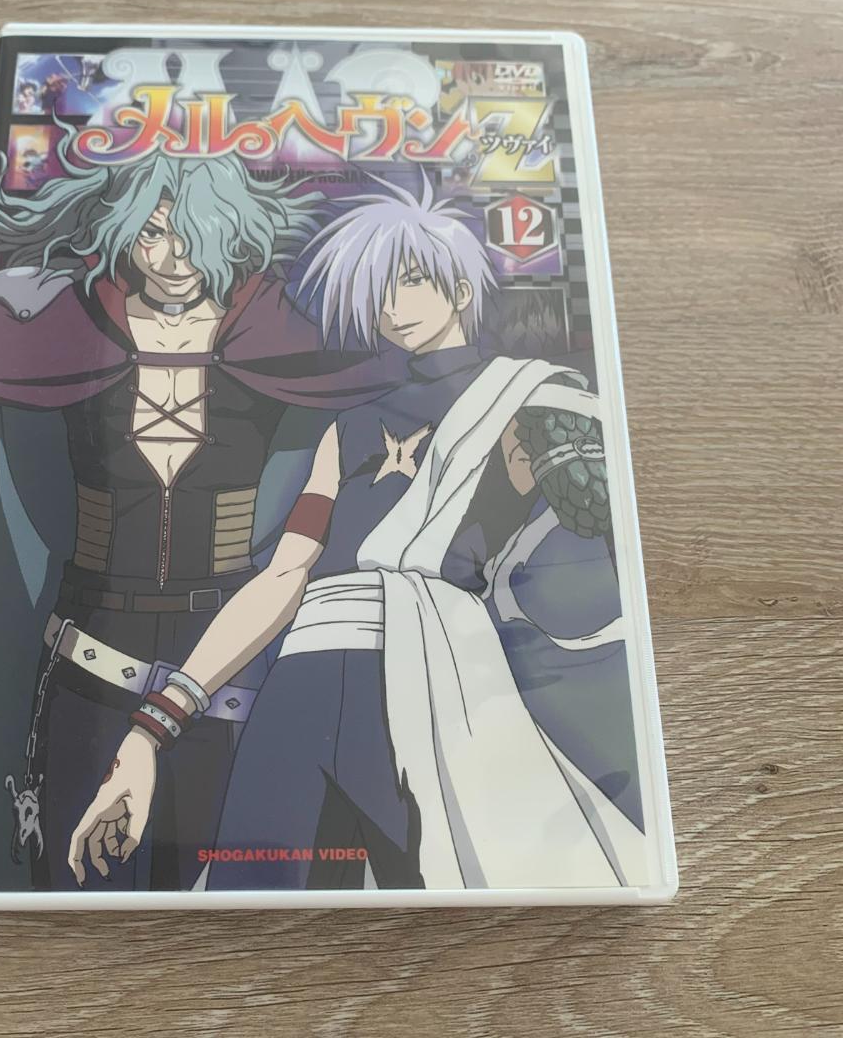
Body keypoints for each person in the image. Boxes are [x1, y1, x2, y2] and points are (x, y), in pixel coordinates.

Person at [68, 174, 648, 891]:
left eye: (411, 280)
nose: (393, 307)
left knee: (446, 892)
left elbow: (597, 560)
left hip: (434, 675)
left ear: (460, 289)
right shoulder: (347, 428)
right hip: (305, 671)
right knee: (252, 891)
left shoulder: (531, 402)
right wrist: (150, 730)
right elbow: (285, 576)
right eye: (378, 291)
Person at [0, 123, 404, 892]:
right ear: (124, 231)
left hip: (228, 672)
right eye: (153, 234)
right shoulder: (68, 331)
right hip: (86, 672)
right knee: (72, 893)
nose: (173, 259)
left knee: (218, 902)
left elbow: (392, 361)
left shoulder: (280, 336)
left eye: (195, 235)